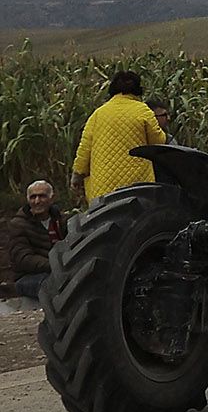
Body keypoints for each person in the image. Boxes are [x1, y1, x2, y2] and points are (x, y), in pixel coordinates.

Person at [71, 71, 167, 202]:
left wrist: (77, 175)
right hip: (137, 185)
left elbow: (84, 149)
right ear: (138, 89)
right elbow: (158, 141)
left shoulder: (98, 113)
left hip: (103, 186)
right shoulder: (143, 110)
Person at [1, 180, 66, 304]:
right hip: (27, 277)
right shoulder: (18, 224)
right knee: (54, 286)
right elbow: (23, 259)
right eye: (33, 197)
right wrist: (56, 265)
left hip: (59, 271)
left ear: (52, 198)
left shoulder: (61, 221)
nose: (37, 201)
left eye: (42, 196)